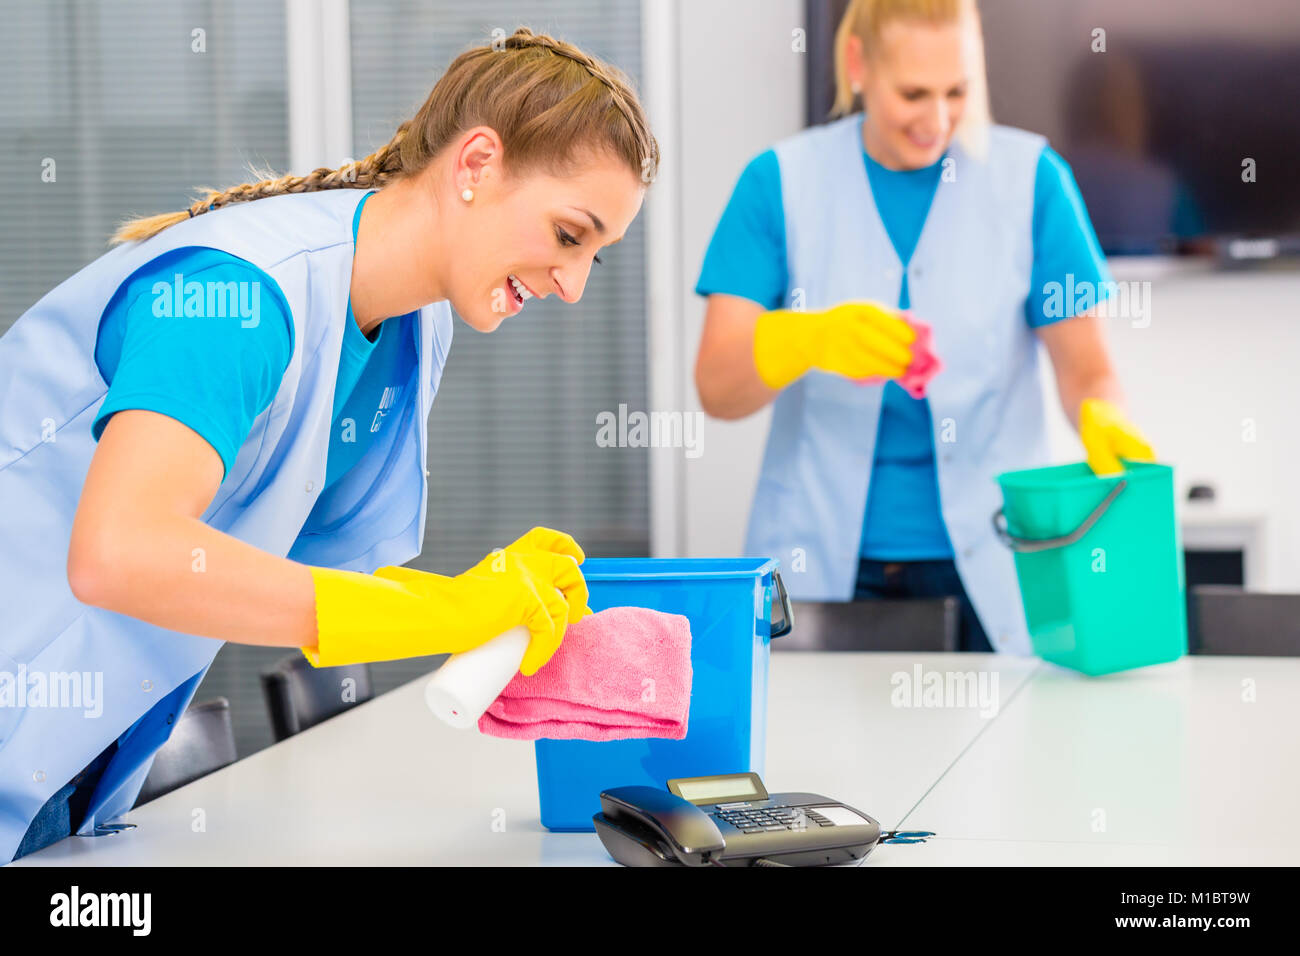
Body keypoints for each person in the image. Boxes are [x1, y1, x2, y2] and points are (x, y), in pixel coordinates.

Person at [0, 27, 657, 863]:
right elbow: (120, 552)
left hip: (72, 768)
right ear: (476, 164)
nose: (574, 286)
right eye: (571, 236)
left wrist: (486, 596)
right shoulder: (237, 295)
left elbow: (325, 582)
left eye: (598, 254)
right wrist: (445, 611)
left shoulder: (413, 329)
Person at [693, 0, 1154, 654]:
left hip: (994, 561)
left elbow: (1088, 369)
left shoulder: (1034, 182)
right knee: (818, 752)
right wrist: (806, 338)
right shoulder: (779, 184)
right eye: (913, 93)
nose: (937, 120)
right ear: (858, 65)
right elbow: (716, 386)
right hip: (822, 570)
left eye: (957, 91)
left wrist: (1104, 414)